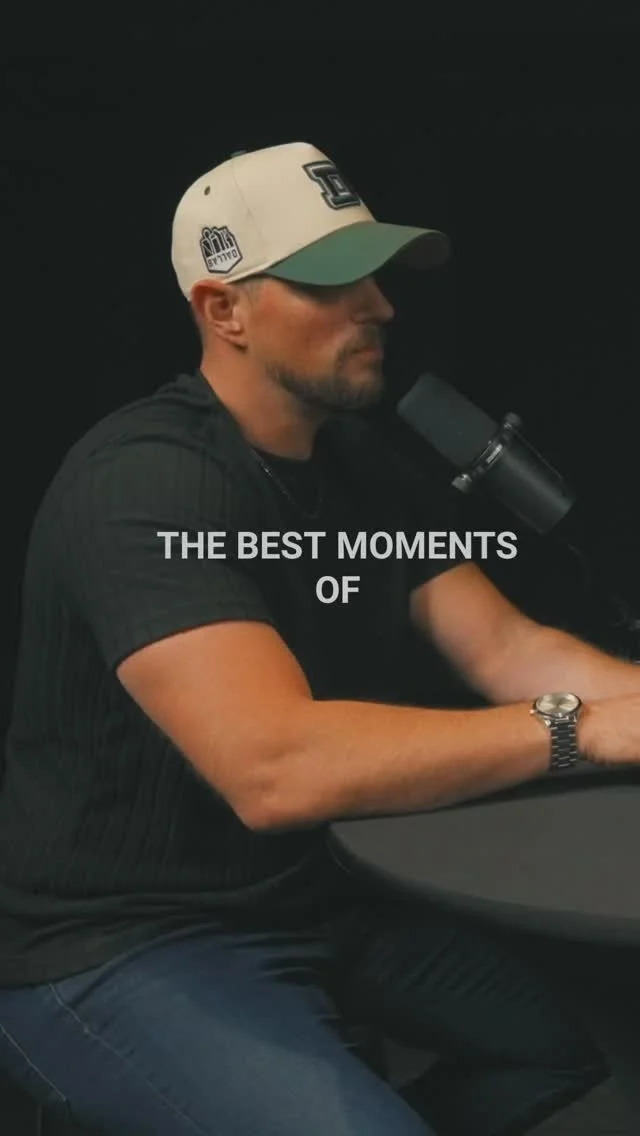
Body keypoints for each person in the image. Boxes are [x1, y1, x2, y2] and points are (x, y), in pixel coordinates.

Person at [1, 139, 639, 1136]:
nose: (378, 306)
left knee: (584, 1037)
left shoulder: (359, 463)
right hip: (124, 941)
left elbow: (509, 649)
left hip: (316, 899)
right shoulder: (143, 486)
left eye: (375, 275)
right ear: (225, 310)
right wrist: (580, 728)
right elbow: (275, 770)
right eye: (332, 283)